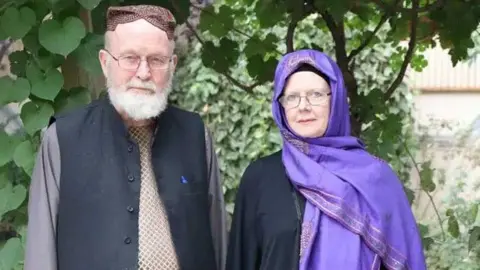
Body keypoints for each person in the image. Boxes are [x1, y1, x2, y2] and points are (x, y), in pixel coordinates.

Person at [24, 4, 227, 270]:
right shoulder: (62, 140)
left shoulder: (195, 135)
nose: (143, 73)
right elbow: (41, 255)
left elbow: (219, 243)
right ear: (105, 63)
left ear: (172, 65)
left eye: (156, 60)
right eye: (130, 58)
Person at [226, 49, 427, 270]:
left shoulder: (376, 179)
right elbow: (241, 261)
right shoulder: (260, 178)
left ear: (336, 99)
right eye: (292, 97)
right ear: (280, 106)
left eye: (316, 95)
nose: (303, 106)